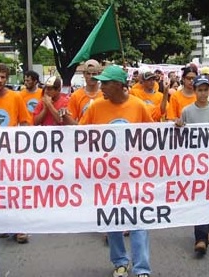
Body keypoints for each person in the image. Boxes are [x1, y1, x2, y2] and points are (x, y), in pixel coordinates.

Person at [79, 65, 153, 277]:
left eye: (105, 83)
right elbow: (80, 136)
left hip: (135, 174)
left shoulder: (139, 106)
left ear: (119, 85)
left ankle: (141, 269)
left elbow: (153, 137)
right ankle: (120, 262)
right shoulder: (95, 107)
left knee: (139, 220)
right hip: (107, 175)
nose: (100, 86)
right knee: (113, 221)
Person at [174, 75, 209, 255]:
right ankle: (201, 237)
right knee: (199, 196)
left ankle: (207, 227)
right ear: (194, 91)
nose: (203, 93)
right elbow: (180, 135)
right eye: (199, 90)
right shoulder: (187, 111)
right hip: (195, 162)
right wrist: (179, 125)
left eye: (206, 90)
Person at [0, 63, 32, 243]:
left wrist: (23, 144)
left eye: (3, 77)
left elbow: (25, 122)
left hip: (13, 152)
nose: (0, 81)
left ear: (7, 79)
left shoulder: (16, 97)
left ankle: (19, 227)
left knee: (15, 189)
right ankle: (4, 224)